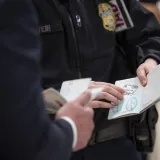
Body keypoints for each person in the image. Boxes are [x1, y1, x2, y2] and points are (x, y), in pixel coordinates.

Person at [34, 0, 160, 160]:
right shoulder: (17, 9)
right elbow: (11, 85)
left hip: (117, 144)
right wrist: (65, 94)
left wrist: (150, 59)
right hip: (53, 144)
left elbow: (147, 34)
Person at [0, 1, 97, 160]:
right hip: (52, 136)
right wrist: (69, 128)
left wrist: (150, 57)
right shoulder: (13, 7)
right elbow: (23, 140)